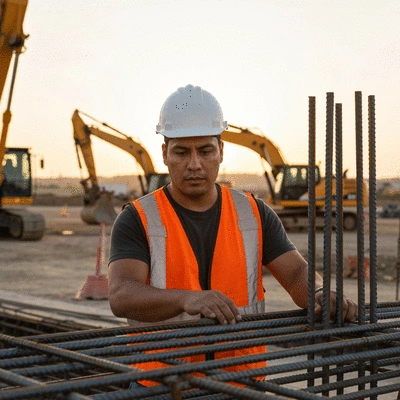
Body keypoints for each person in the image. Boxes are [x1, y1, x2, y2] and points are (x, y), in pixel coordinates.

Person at [108, 84, 357, 385]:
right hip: (163, 385)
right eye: (182, 152)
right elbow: (122, 295)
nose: (195, 164)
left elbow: (295, 274)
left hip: (239, 381)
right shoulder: (137, 218)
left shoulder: (254, 213)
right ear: (165, 154)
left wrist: (319, 293)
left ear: (221, 151)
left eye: (205, 150)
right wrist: (186, 299)